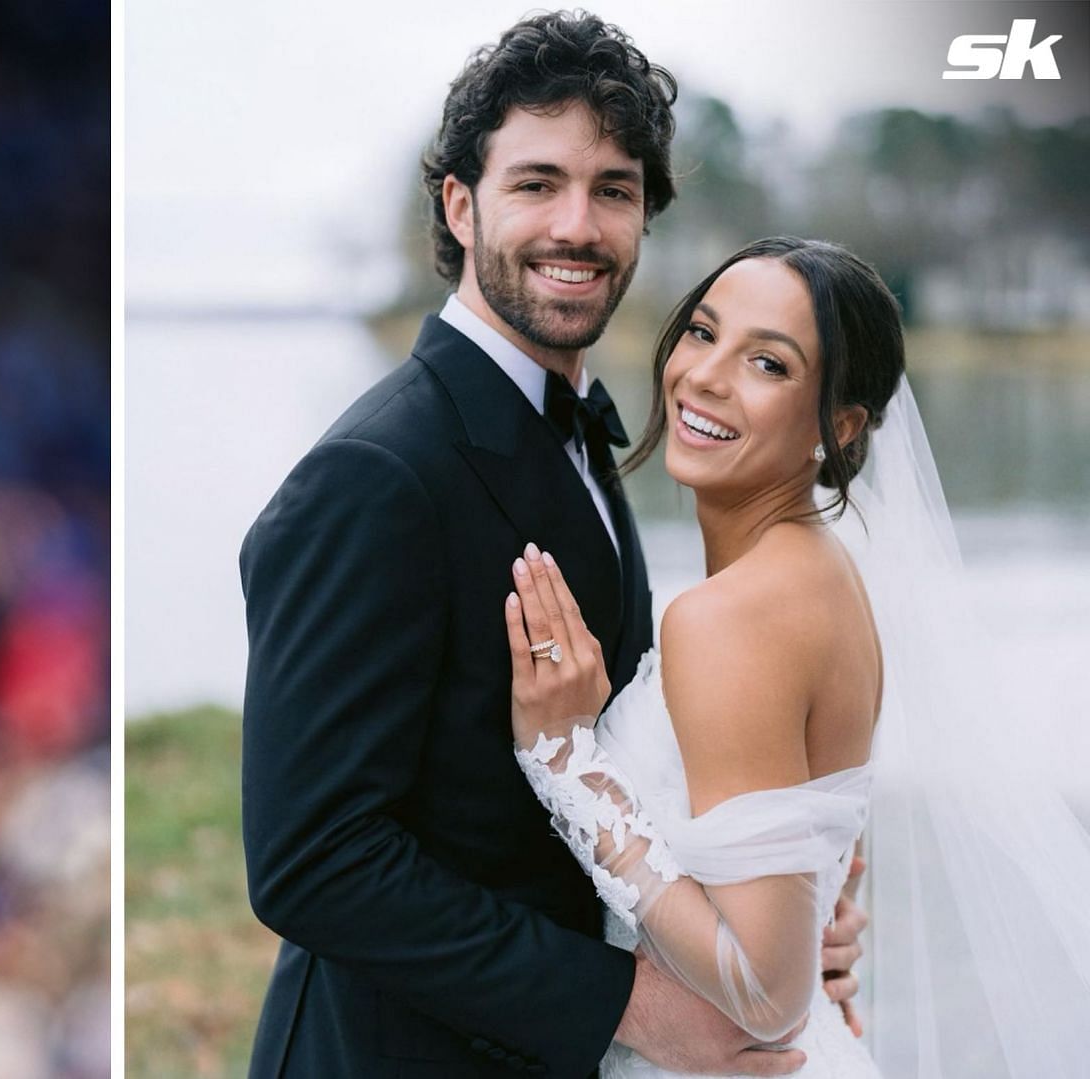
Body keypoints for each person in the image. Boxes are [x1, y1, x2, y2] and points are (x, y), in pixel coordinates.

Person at [238, 13, 862, 1076]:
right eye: (537, 183)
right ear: (459, 203)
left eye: (614, 190)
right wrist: (641, 1005)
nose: (577, 224)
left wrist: (762, 930)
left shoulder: (575, 429)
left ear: (643, 221)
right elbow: (313, 859)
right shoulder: (376, 475)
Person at [504, 237, 895, 1076]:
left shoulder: (733, 615)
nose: (706, 376)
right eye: (703, 331)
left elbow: (766, 992)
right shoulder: (825, 576)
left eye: (767, 362)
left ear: (843, 426)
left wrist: (565, 762)